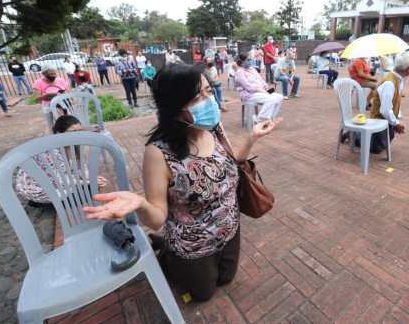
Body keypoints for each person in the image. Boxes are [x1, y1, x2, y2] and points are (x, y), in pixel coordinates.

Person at [83, 63, 281, 302]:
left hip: (230, 229)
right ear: (174, 107)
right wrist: (140, 204)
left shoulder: (212, 128)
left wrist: (252, 137)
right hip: (193, 245)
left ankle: (173, 251)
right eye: (198, 96)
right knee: (203, 295)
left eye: (209, 91)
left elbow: (232, 161)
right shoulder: (159, 153)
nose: (210, 101)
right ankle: (169, 254)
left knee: (226, 279)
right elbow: (156, 218)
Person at [15, 115, 108, 207]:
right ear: (59, 133)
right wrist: (88, 181)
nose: (77, 135)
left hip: (55, 180)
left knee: (91, 187)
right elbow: (59, 180)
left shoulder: (75, 146)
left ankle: (57, 202)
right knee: (88, 191)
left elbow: (80, 168)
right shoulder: (50, 151)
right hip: (38, 188)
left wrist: (92, 177)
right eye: (73, 132)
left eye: (79, 131)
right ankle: (42, 203)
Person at [368, 51, 409, 153]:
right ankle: (353, 134)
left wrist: (396, 119)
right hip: (378, 119)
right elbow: (385, 110)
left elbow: (395, 101)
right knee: (376, 149)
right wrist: (396, 123)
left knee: (386, 141)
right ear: (407, 69)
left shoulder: (398, 79)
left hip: (385, 119)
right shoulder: (390, 83)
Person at [234, 52, 283, 122]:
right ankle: (261, 119)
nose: (250, 61)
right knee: (271, 98)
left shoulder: (251, 69)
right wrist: (261, 90)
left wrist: (265, 86)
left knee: (279, 97)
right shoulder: (239, 72)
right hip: (249, 95)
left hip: (261, 91)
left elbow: (260, 79)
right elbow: (248, 87)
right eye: (248, 60)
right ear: (241, 62)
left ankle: (271, 117)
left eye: (250, 59)